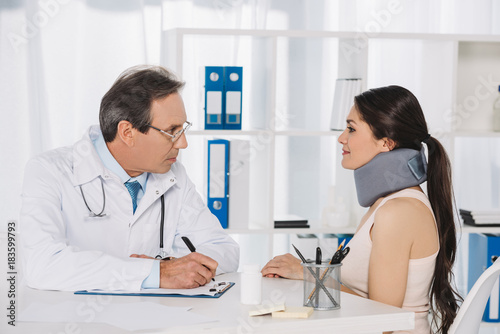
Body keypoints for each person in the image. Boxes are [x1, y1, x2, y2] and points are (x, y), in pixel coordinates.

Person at [20, 65, 239, 291]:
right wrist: (154, 273)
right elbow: (42, 265)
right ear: (127, 132)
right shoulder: (49, 171)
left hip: (153, 319)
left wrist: (175, 267)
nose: (183, 143)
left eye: (183, 129)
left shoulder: (174, 176)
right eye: (172, 131)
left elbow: (224, 248)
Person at [261, 86, 461, 334]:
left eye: (352, 129)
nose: (341, 138)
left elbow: (382, 318)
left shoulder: (399, 211)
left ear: (386, 143)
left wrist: (308, 273)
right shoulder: (388, 203)